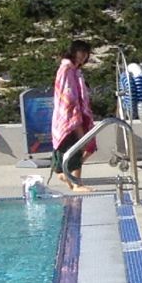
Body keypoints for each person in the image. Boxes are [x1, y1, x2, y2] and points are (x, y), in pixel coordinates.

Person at [50, 39, 95, 189]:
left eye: (85, 53)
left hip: (75, 114)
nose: (83, 56)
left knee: (87, 146)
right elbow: (69, 97)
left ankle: (69, 178)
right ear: (73, 52)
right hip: (70, 116)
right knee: (76, 147)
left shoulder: (74, 70)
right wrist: (76, 119)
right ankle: (75, 182)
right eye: (80, 52)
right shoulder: (67, 70)